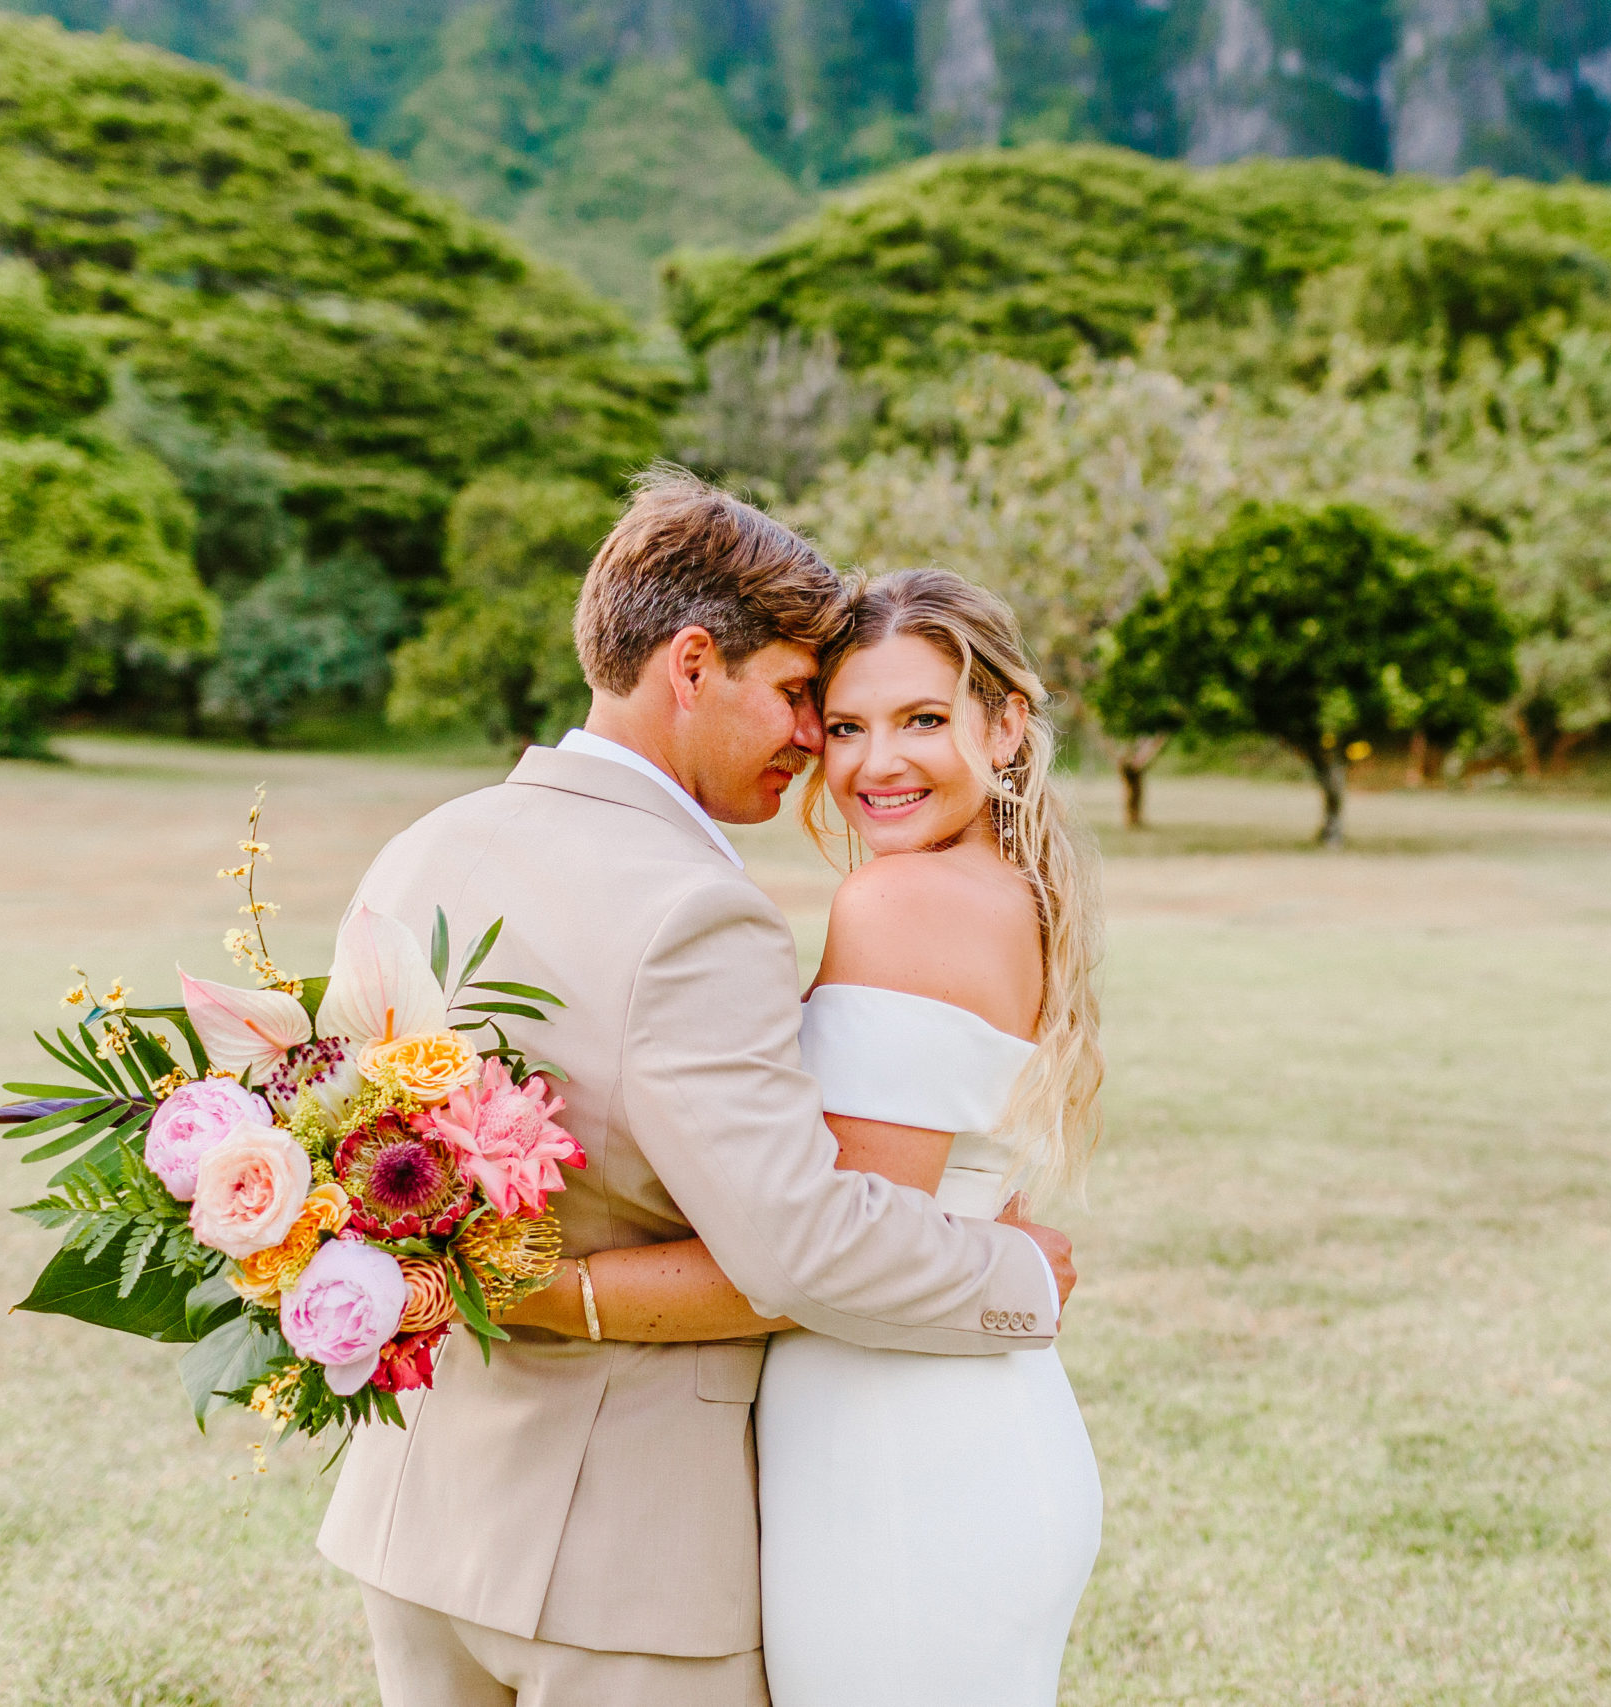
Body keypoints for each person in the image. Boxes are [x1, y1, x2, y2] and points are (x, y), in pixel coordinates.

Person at [316, 470, 1077, 1707]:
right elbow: (801, 1248)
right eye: (796, 698)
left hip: (414, 1520)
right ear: (688, 665)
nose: (809, 741)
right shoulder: (695, 910)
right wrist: (1018, 1276)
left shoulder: (428, 844)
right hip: (620, 1572)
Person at [505, 567, 1108, 1707]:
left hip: (900, 1457)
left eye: (922, 719)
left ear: (1005, 724)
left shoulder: (903, 903)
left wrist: (536, 1285)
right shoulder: (987, 883)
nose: (878, 763)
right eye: (844, 726)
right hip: (941, 1425)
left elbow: (828, 1251)